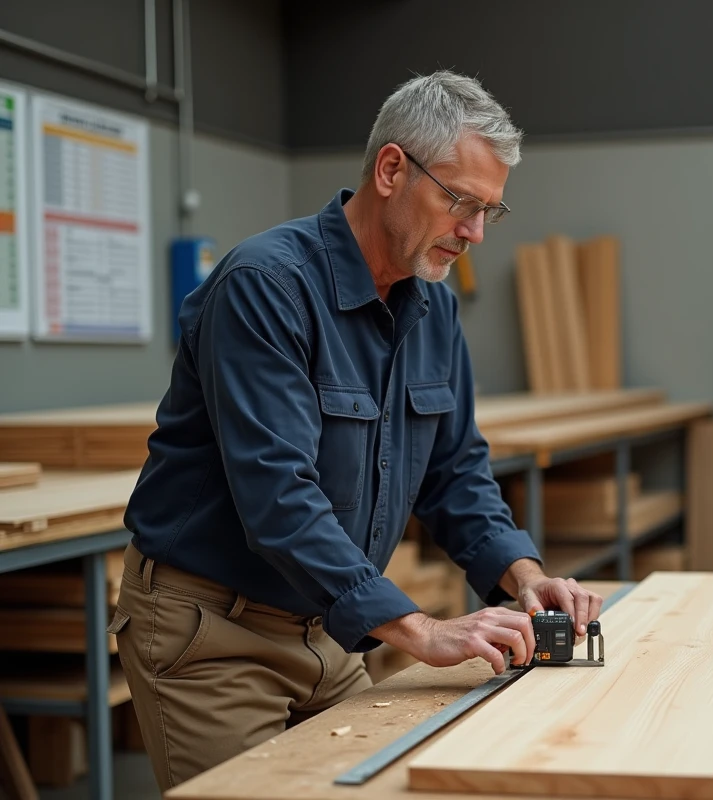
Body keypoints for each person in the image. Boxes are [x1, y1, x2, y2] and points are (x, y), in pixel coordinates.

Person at [109, 70, 603, 791]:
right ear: (391, 169)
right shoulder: (264, 286)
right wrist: (423, 632)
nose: (471, 232)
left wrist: (524, 575)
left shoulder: (433, 309)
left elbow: (455, 468)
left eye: (488, 212)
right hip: (214, 636)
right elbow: (278, 496)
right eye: (459, 201)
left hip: (327, 629)